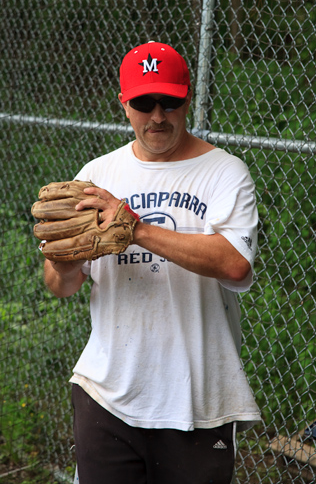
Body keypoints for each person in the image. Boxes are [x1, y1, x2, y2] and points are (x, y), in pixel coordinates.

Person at [43, 41, 261, 484]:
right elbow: (60, 285)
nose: (157, 115)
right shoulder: (96, 175)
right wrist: (65, 261)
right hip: (107, 395)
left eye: (169, 101)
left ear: (188, 98)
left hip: (198, 401)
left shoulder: (225, 172)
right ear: (124, 104)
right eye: (144, 102)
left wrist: (135, 228)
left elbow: (235, 263)